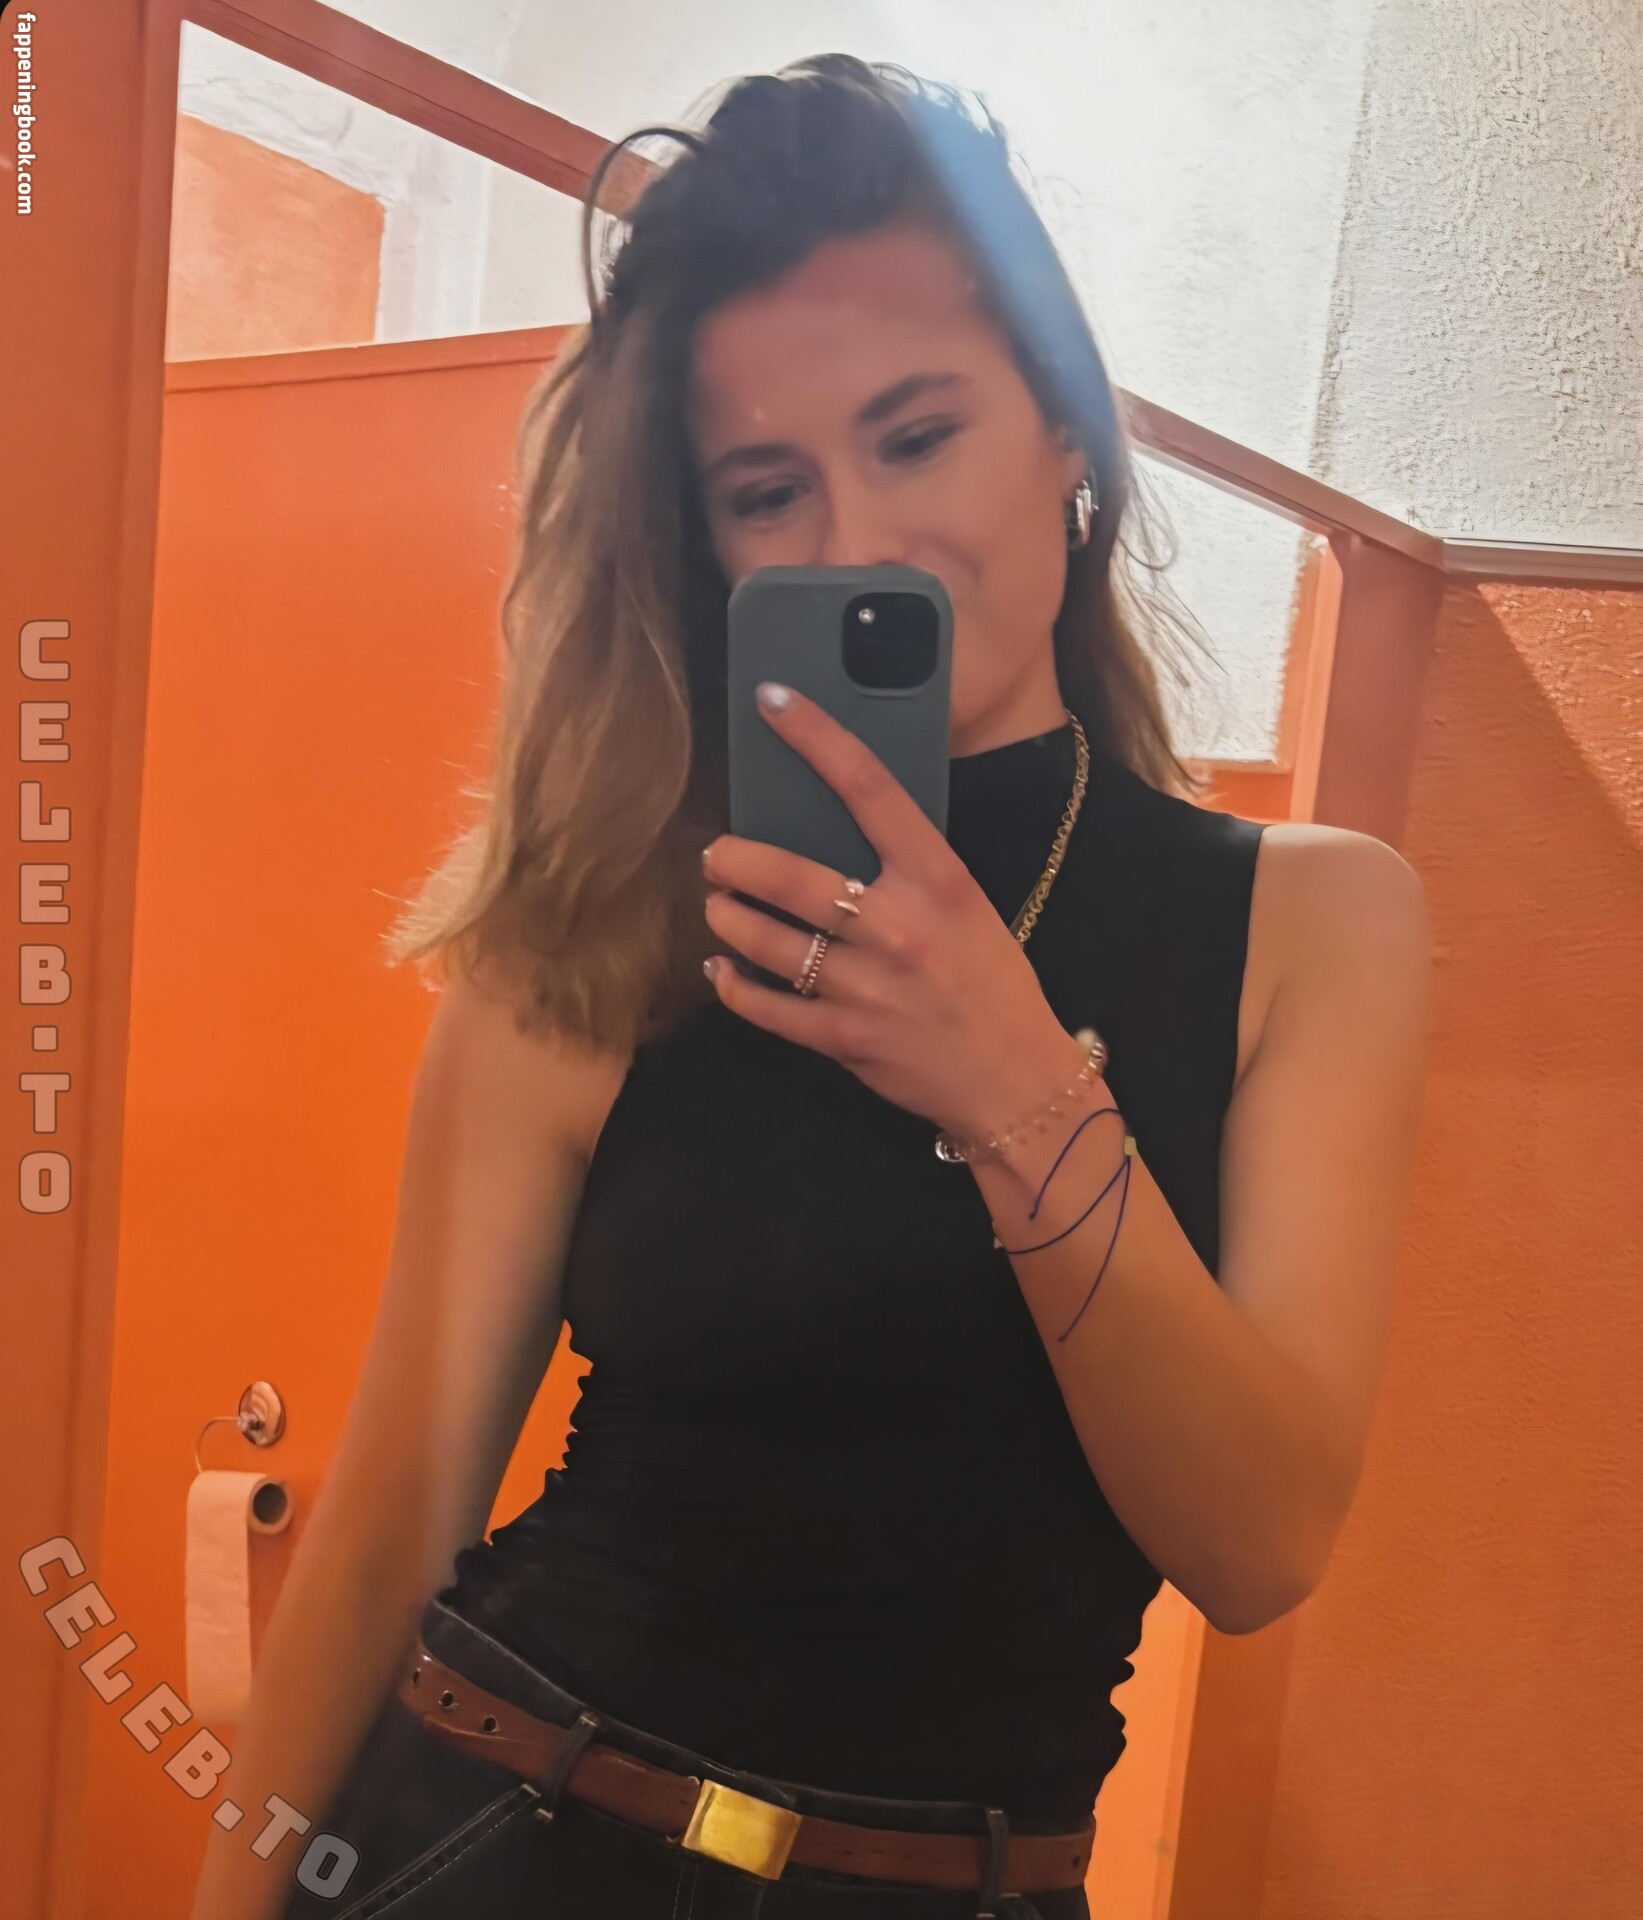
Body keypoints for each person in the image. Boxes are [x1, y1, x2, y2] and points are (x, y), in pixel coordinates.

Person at [189, 51, 1430, 1920]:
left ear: (1068, 429)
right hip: (507, 1832)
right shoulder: (613, 912)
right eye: (770, 490)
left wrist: (1011, 1080)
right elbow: (388, 1528)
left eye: (918, 437)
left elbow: (1258, 1546)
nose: (856, 540)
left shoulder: (1311, 923)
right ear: (710, 548)